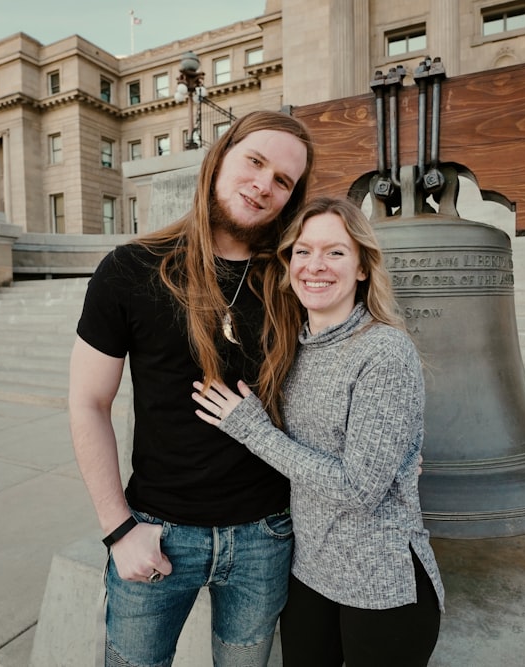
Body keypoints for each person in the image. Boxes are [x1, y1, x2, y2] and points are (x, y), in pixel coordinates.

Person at [68, 110, 314, 666]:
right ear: (220, 157)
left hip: (265, 537)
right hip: (157, 533)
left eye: (283, 180)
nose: (263, 185)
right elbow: (88, 403)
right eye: (255, 162)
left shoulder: (294, 279)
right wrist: (118, 530)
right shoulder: (130, 269)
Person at [192, 196, 445, 666]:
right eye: (302, 251)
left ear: (363, 267)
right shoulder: (294, 347)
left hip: (380, 580)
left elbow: (359, 488)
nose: (315, 266)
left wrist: (254, 431)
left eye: (335, 252)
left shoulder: (384, 352)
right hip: (309, 572)